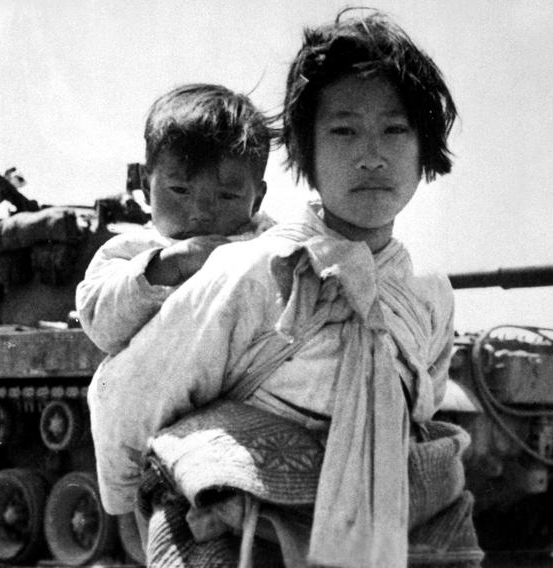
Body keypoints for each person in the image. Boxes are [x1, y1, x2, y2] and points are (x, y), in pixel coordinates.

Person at [88, 10, 482, 568]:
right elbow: (128, 393)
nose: (371, 155)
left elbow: (421, 404)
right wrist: (127, 505)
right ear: (306, 153)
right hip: (244, 538)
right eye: (343, 130)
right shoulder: (249, 272)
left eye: (395, 130)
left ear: (425, 152)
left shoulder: (429, 295)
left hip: (382, 526)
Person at [76, 83, 273, 356]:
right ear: (146, 186)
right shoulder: (129, 253)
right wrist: (166, 267)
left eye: (227, 196)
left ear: (257, 200)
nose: (201, 213)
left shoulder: (271, 249)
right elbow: (100, 324)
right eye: (180, 190)